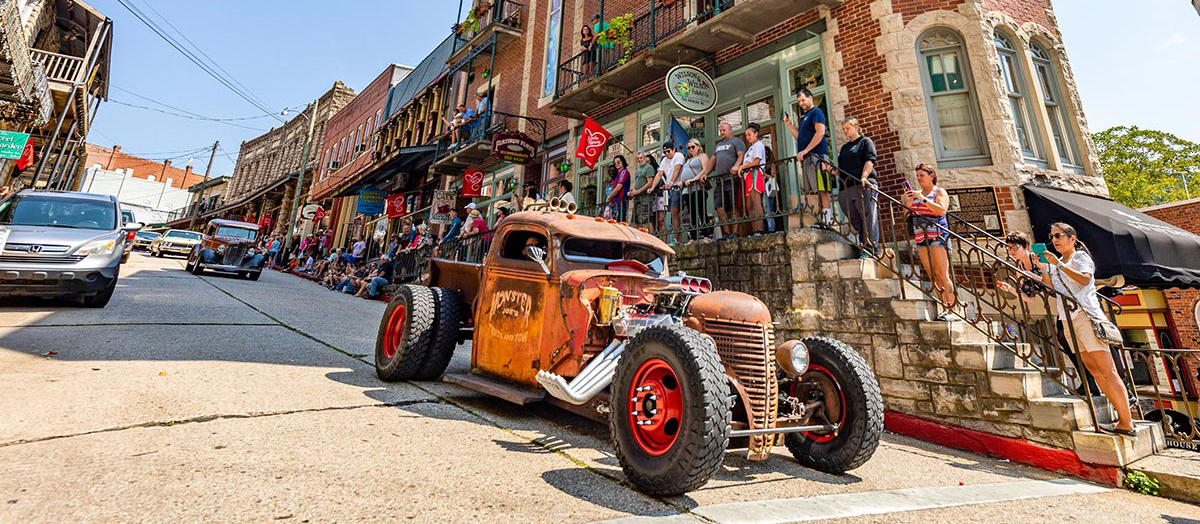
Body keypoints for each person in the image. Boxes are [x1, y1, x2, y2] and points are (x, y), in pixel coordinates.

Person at [1041, 222, 1136, 436]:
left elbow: (1085, 280)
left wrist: (1059, 265)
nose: (1055, 240)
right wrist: (1046, 269)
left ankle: (1127, 421)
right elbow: (1052, 289)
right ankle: (1120, 420)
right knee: (1094, 370)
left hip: (1085, 316)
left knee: (1108, 371)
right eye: (1052, 236)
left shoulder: (1080, 258)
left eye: (1059, 235)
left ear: (1072, 238)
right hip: (1067, 318)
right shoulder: (1057, 263)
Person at [904, 163, 956, 320]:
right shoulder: (917, 194)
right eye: (917, 176)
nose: (919, 178)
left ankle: (952, 310)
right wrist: (908, 202)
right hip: (921, 236)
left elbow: (941, 209)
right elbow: (907, 214)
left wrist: (923, 199)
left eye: (922, 175)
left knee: (942, 273)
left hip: (937, 235)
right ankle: (943, 307)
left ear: (931, 175)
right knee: (932, 275)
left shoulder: (938, 191)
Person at [784, 88, 832, 228]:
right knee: (814, 190)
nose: (801, 103)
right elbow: (800, 138)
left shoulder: (817, 112)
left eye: (803, 100)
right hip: (807, 158)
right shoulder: (803, 118)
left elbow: (820, 133)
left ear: (810, 97)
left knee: (823, 189)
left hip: (818, 157)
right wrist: (789, 124)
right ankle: (821, 220)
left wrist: (805, 150)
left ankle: (827, 221)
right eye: (799, 101)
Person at [833, 117, 880, 257]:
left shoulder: (865, 142)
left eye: (847, 128)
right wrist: (831, 170)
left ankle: (871, 249)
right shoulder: (845, 147)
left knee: (868, 217)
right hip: (846, 187)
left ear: (856, 127)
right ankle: (863, 244)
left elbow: (869, 161)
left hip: (863, 185)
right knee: (854, 218)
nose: (845, 131)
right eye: (843, 129)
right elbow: (842, 169)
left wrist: (864, 177)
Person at [703, 122, 746, 239]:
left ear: (730, 130)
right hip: (720, 180)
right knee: (720, 207)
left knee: (735, 206)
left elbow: (741, 155)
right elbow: (713, 160)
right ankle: (726, 232)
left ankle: (735, 232)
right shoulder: (718, 145)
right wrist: (705, 173)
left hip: (733, 178)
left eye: (724, 130)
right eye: (720, 130)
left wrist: (737, 165)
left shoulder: (737, 141)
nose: (721, 132)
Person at [738, 123, 768, 236]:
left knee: (756, 202)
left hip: (755, 173)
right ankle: (754, 229)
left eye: (750, 134)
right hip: (748, 176)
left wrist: (742, 167)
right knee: (749, 205)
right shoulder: (751, 148)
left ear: (756, 134)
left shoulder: (758, 145)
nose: (748, 137)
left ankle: (759, 229)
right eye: (746, 135)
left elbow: (756, 161)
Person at [680, 139, 710, 241]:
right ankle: (693, 237)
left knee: (702, 212)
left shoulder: (702, 156)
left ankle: (706, 236)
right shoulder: (688, 160)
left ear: (698, 146)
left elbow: (705, 170)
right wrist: (681, 181)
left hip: (698, 187)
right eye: (689, 148)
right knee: (692, 213)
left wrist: (693, 179)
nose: (691, 149)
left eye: (693, 147)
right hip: (687, 189)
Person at [656, 142, 686, 243]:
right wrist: (652, 187)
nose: (667, 154)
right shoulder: (664, 160)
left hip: (678, 187)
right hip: (671, 190)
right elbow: (659, 174)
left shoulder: (678, 156)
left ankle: (678, 239)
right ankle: (676, 239)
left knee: (676, 212)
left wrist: (671, 183)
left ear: (674, 149)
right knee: (674, 214)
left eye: (668, 151)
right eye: (664, 152)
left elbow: (677, 169)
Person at [629, 151, 664, 233]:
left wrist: (637, 191)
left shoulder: (648, 168)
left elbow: (650, 182)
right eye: (637, 158)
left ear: (645, 158)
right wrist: (633, 191)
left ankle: (651, 238)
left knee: (646, 219)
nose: (639, 160)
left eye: (641, 158)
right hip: (637, 198)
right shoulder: (639, 169)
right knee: (636, 221)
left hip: (645, 198)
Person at [606, 155, 631, 222]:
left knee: (620, 221)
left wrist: (610, 197)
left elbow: (619, 187)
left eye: (618, 162)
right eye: (615, 163)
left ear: (623, 162)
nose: (616, 164)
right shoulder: (618, 174)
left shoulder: (624, 172)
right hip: (616, 202)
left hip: (621, 201)